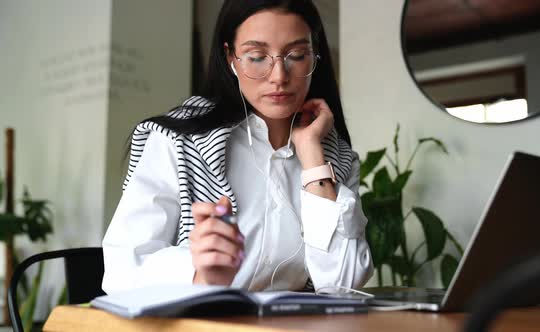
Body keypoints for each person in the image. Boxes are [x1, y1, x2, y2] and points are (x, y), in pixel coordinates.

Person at [102, 0, 373, 294]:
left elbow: (344, 285)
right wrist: (199, 273)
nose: (279, 76)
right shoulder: (178, 141)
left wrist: (311, 156)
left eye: (296, 55)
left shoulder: (336, 157)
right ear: (230, 57)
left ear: (315, 57)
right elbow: (122, 268)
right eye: (257, 56)